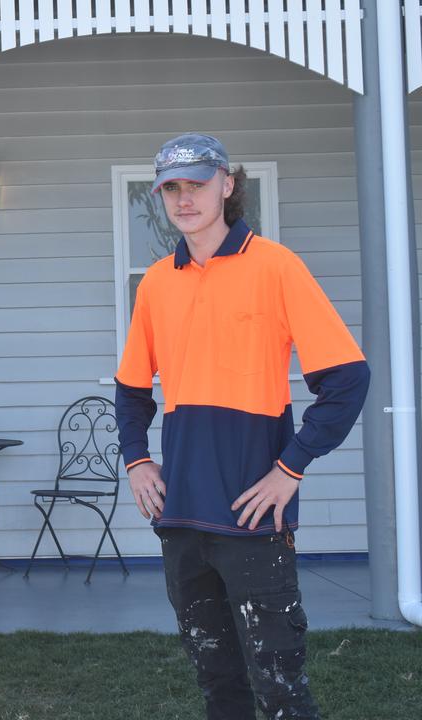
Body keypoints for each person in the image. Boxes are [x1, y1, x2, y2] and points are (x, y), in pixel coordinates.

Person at [116, 133, 370, 719]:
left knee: (281, 689)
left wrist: (291, 469)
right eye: (172, 189)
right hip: (182, 518)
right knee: (218, 687)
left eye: (197, 185)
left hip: (256, 517)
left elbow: (348, 379)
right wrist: (136, 459)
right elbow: (131, 391)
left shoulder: (276, 267)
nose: (185, 199)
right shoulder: (157, 282)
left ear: (228, 185)